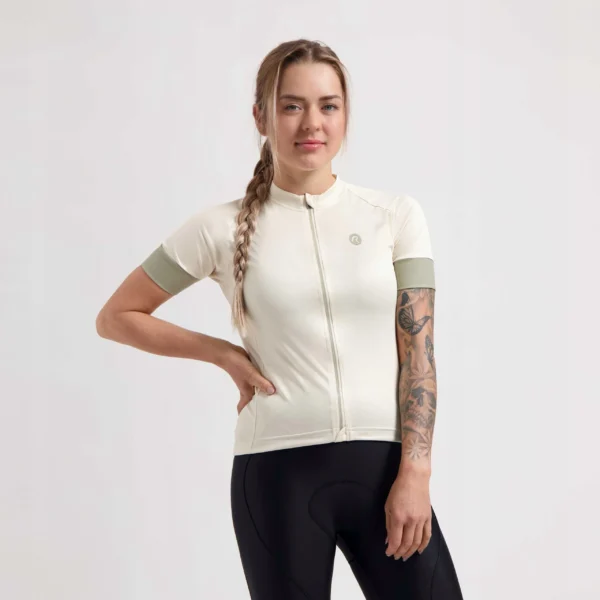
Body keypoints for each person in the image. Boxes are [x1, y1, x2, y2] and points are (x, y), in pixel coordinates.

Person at [96, 39, 464, 599]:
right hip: (277, 476)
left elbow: (420, 355)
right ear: (261, 117)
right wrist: (222, 354)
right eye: (292, 106)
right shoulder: (218, 229)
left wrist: (416, 473)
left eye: (328, 105)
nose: (311, 123)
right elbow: (117, 316)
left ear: (345, 115)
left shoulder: (394, 216)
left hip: (387, 470)